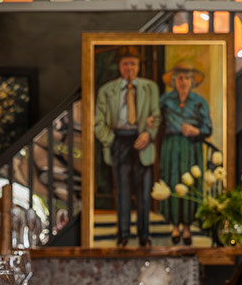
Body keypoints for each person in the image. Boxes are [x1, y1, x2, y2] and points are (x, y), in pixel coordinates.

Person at [92, 48, 160, 247]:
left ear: (139, 66)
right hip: (119, 139)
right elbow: (98, 122)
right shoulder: (107, 90)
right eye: (125, 64)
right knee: (122, 191)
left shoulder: (150, 88)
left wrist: (148, 134)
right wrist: (111, 140)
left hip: (141, 141)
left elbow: (156, 116)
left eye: (133, 64)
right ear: (119, 66)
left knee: (143, 191)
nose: (129, 68)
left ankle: (144, 235)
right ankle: (123, 234)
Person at [156, 63, 214, 244]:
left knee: (191, 183)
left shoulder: (199, 102)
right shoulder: (165, 100)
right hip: (171, 146)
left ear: (192, 81)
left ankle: (187, 227)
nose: (183, 82)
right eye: (180, 78)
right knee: (172, 181)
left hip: (191, 147)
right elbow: (155, 119)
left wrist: (196, 131)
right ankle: (174, 226)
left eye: (187, 78)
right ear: (174, 81)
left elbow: (208, 128)